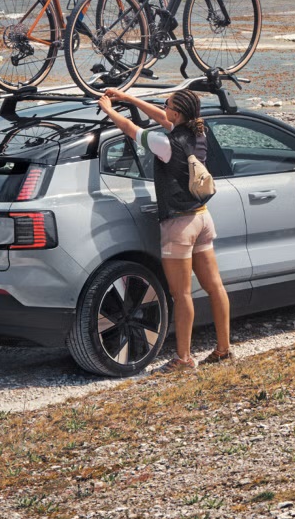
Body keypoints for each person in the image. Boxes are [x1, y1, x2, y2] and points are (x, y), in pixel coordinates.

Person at [96, 87, 234, 370]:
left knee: (182, 295)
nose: (164, 107)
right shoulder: (199, 132)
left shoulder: (165, 144)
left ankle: (184, 359)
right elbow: (162, 118)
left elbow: (129, 128)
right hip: (202, 218)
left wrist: (109, 109)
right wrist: (128, 98)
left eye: (167, 104)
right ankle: (223, 350)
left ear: (177, 113)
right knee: (215, 286)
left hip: (179, 224)